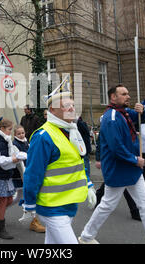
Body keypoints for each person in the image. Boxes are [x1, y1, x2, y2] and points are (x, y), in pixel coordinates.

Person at [78, 84, 145, 244]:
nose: (128, 96)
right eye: (124, 94)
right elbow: (116, 148)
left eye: (128, 94)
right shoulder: (111, 118)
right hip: (118, 170)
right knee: (106, 206)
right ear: (113, 97)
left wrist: (142, 109)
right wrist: (135, 159)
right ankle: (86, 236)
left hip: (132, 170)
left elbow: (143, 117)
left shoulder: (124, 113)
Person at [22, 77, 96, 244]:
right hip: (51, 207)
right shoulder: (43, 136)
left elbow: (76, 163)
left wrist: (88, 184)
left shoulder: (71, 131)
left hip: (68, 205)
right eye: (66, 106)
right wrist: (29, 204)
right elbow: (32, 174)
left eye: (73, 105)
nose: (72, 108)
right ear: (52, 111)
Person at [0, 117, 26, 240]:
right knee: (3, 201)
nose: (10, 132)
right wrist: (12, 159)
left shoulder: (5, 139)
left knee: (7, 200)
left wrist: (15, 156)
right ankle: (0, 229)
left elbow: (9, 154)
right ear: (2, 128)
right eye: (9, 129)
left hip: (5, 173)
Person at [94, 132, 141, 221]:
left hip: (126, 159)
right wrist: (98, 158)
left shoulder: (127, 121)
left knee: (123, 183)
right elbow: (100, 143)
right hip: (113, 160)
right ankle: (134, 210)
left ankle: (98, 196)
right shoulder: (108, 120)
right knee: (124, 184)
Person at [11, 125, 45, 233]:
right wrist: (24, 174)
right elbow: (20, 162)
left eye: (23, 133)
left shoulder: (27, 142)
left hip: (28, 171)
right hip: (21, 174)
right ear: (15, 135)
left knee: (18, 198)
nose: (21, 135)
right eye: (19, 133)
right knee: (29, 196)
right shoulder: (14, 145)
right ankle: (33, 221)